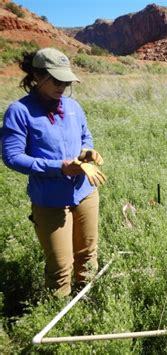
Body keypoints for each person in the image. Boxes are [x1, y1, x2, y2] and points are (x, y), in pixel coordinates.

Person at [1, 47, 106, 297]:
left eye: (66, 81)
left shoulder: (73, 107)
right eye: (57, 80)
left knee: (88, 254)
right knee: (61, 265)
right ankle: (58, 316)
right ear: (38, 76)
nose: (63, 86)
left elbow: (84, 135)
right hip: (50, 200)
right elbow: (13, 157)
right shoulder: (19, 112)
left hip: (85, 192)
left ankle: (85, 301)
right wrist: (59, 167)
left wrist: (87, 152)